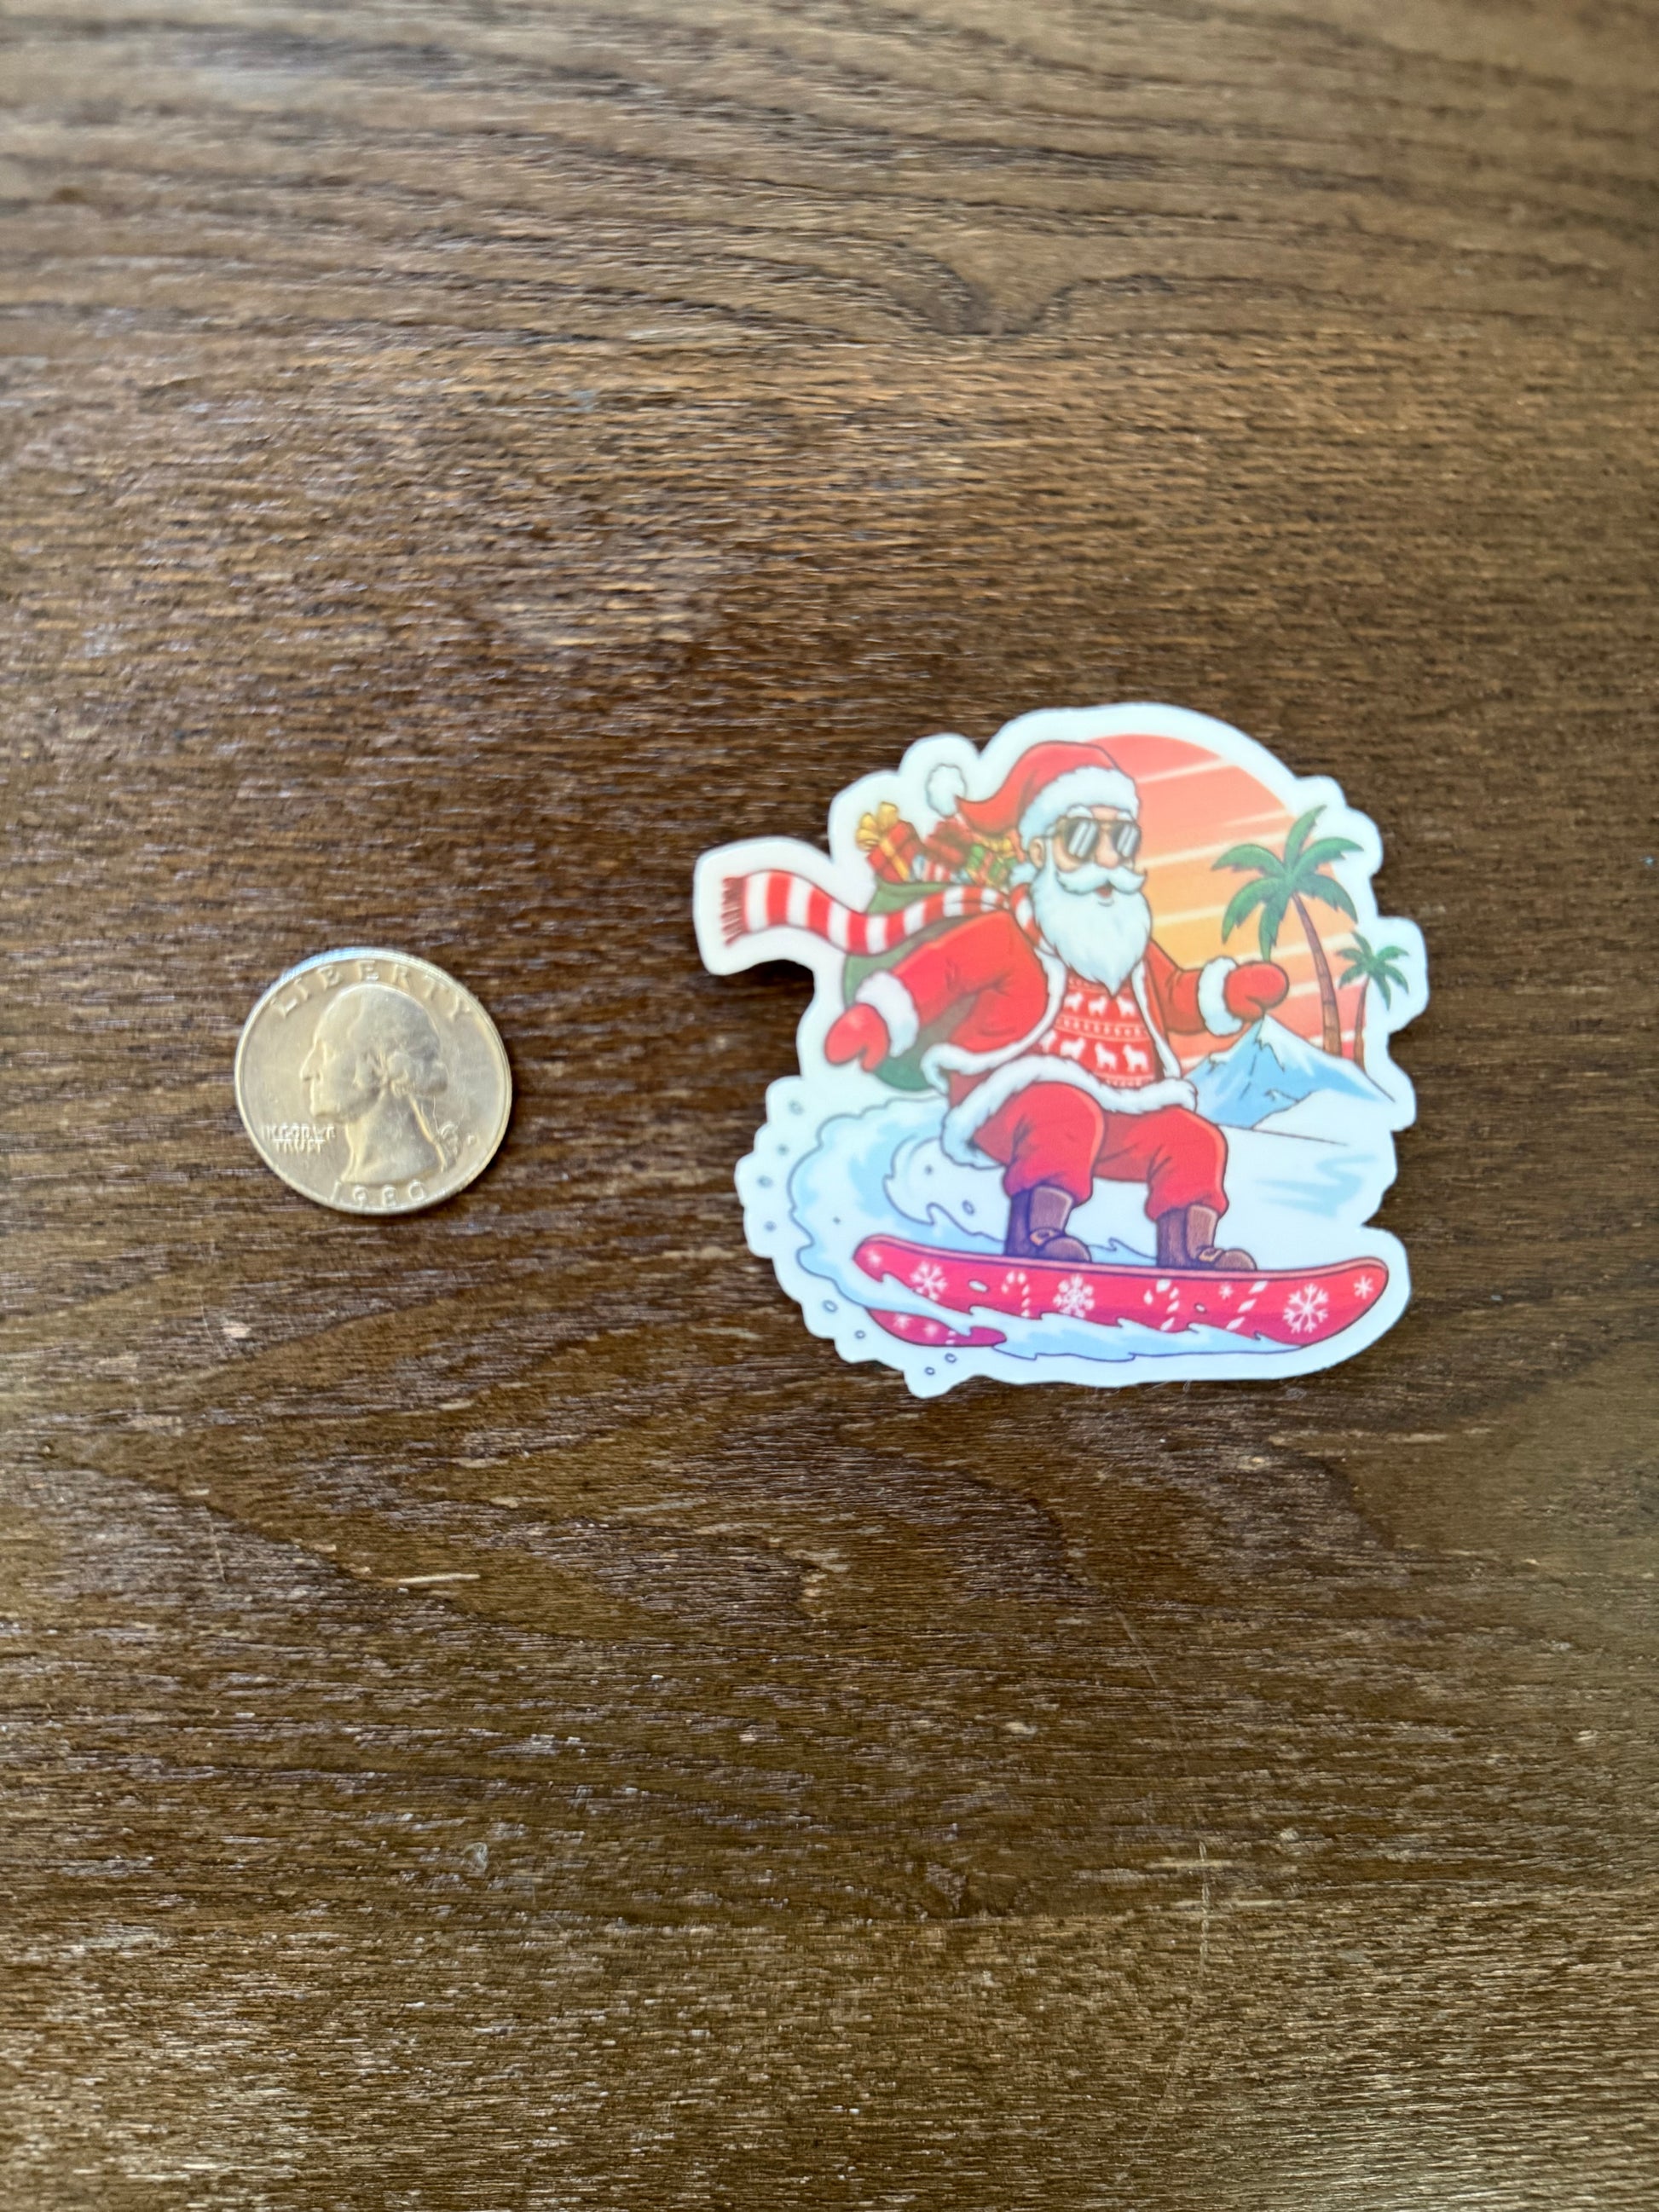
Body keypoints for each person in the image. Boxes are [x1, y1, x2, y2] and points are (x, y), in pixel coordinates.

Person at [824, 741, 1288, 1268]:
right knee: (1066, 1113)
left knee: (1194, 1140)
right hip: (1012, 1103)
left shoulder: (1125, 943)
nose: (1107, 859)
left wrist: (1226, 992)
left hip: (1124, 1108)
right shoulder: (1010, 933)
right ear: (1041, 852)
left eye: (1122, 839)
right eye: (1083, 838)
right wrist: (878, 1017)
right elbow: (945, 970)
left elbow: (1177, 995)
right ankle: (1036, 1238)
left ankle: (1189, 1254)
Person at [299, 983, 450, 1188]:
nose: (306, 1071)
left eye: (328, 1052)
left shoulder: (407, 1165)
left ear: (379, 1065)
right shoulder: (360, 1169)